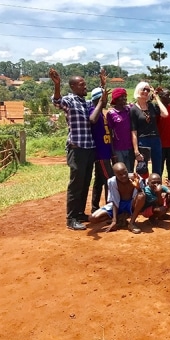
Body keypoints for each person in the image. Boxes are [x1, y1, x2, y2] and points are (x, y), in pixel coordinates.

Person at [50, 67, 107, 230]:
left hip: (89, 149)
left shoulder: (86, 102)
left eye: (85, 84)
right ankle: (71, 218)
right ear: (74, 87)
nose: (85, 87)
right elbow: (56, 102)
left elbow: (98, 107)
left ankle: (80, 213)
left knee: (85, 182)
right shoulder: (69, 100)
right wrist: (57, 85)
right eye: (82, 84)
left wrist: (103, 86)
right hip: (77, 149)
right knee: (76, 184)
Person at [89, 162, 141, 233]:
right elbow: (115, 201)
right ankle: (120, 218)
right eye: (120, 174)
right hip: (119, 205)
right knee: (93, 218)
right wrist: (114, 220)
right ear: (115, 174)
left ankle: (131, 223)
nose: (123, 176)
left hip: (131, 204)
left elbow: (143, 197)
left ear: (127, 170)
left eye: (125, 172)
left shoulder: (136, 178)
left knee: (141, 196)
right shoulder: (112, 182)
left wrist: (138, 188)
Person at [130, 82, 168, 176]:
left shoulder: (151, 106)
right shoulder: (133, 109)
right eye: (144, 89)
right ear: (138, 90)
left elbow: (165, 114)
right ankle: (143, 189)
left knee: (157, 167)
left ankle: (157, 189)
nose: (146, 92)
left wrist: (156, 98)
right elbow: (133, 132)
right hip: (143, 141)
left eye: (148, 90)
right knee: (143, 168)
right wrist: (136, 151)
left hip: (155, 139)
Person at [89, 87, 114, 213]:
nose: (107, 100)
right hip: (101, 154)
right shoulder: (93, 111)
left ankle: (95, 206)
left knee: (99, 180)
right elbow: (92, 120)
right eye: (105, 98)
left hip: (106, 153)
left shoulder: (101, 112)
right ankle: (109, 208)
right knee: (110, 181)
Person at [106, 88, 133, 172]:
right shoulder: (111, 114)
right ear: (116, 99)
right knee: (121, 171)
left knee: (130, 171)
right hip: (118, 148)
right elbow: (110, 132)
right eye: (122, 97)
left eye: (125, 96)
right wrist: (113, 151)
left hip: (130, 147)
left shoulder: (129, 110)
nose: (125, 99)